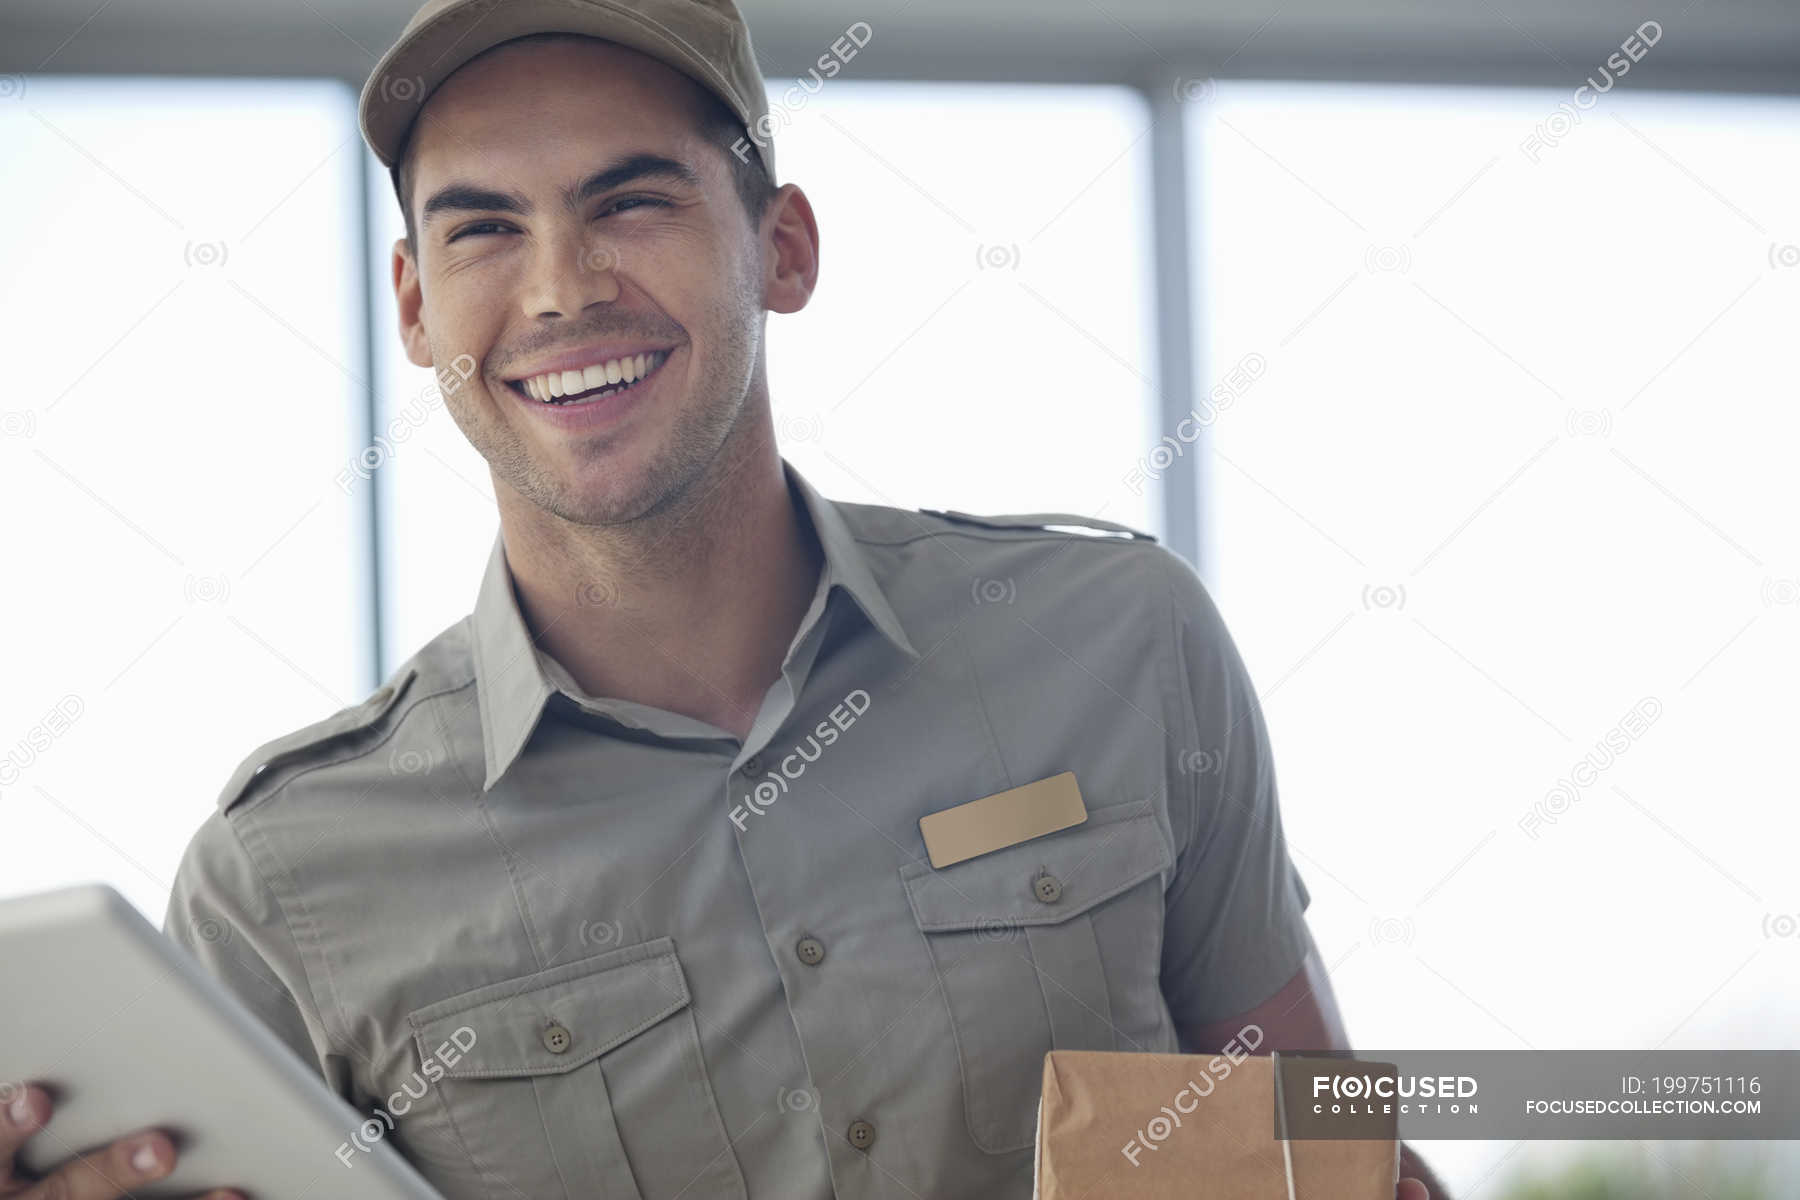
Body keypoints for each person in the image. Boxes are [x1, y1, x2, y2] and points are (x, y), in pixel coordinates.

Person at [2, 1, 1445, 1196]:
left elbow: (1334, 1157)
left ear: (786, 247)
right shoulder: (284, 885)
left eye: (630, 201)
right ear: (415, 305)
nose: (562, 290)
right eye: (485, 230)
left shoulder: (1122, 642)